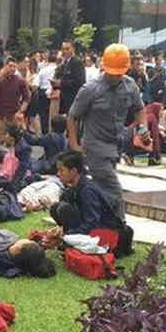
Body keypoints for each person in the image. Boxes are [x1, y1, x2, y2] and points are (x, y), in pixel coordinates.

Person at [67, 44, 145, 220]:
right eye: (112, 72)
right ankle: (121, 227)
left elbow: (140, 109)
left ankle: (99, 223)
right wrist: (74, 144)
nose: (115, 76)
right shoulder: (90, 89)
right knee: (113, 189)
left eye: (119, 72)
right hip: (95, 147)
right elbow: (72, 116)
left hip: (116, 146)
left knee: (102, 190)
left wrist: (143, 127)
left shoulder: (130, 86)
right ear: (104, 67)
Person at [49, 151, 133, 256]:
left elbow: (92, 223)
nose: (58, 173)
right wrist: (60, 230)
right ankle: (71, 241)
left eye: (61, 170)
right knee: (56, 207)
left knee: (64, 209)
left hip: (103, 230)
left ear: (74, 171)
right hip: (91, 228)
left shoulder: (87, 191)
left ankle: (71, 242)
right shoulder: (74, 187)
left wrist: (65, 235)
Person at [0, 56, 30, 136]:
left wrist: (20, 111)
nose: (12, 68)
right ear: (5, 66)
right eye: (10, 66)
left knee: (12, 140)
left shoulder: (20, 80)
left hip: (14, 114)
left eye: (14, 66)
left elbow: (26, 98)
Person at [52, 40, 86, 115]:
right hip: (64, 99)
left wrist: (61, 83)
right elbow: (58, 76)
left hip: (73, 99)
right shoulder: (64, 62)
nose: (64, 51)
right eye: (63, 49)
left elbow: (79, 82)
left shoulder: (77, 62)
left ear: (73, 49)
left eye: (67, 49)